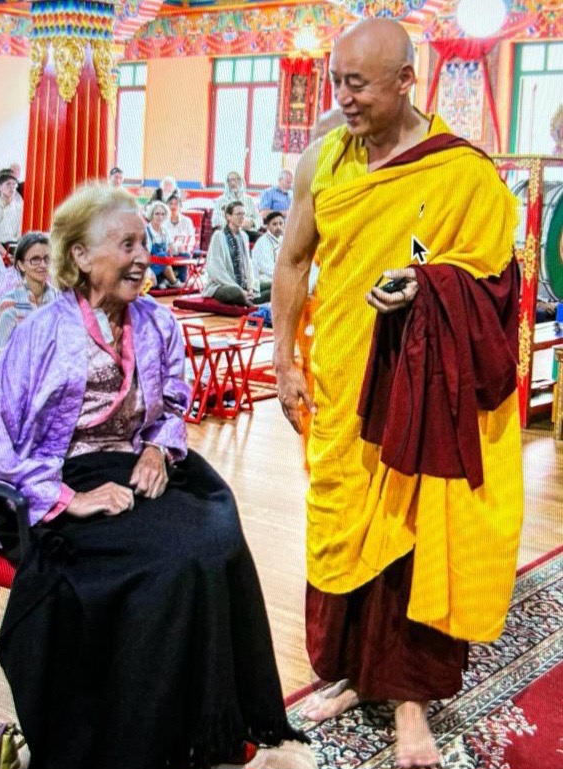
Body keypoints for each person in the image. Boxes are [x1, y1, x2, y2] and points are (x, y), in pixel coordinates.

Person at [272, 18, 523, 769]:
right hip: (341, 380)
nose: (342, 98)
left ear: (406, 80)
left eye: (357, 84)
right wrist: (283, 361)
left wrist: (425, 284)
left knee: (413, 537)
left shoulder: (460, 172)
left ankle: (411, 702)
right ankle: (355, 673)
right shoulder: (322, 161)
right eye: (336, 82)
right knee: (342, 524)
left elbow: (493, 279)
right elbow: (292, 262)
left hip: (417, 391)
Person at [0, 184, 316, 769]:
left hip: (140, 463)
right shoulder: (39, 334)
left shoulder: (157, 321)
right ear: (80, 256)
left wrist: (156, 450)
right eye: (127, 245)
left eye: (144, 243)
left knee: (217, 539)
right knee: (170, 565)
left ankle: (213, 726)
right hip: (66, 475)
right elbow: (1, 437)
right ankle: (139, 740)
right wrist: (67, 498)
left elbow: (173, 402)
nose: (143, 257)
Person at [0, 231, 58, 355]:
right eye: (35, 260)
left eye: (47, 259)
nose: (43, 265)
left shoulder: (58, 298)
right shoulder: (10, 305)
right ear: (21, 265)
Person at [203, 202, 269, 307]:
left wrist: (250, 287)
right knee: (236, 292)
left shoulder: (244, 236)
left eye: (243, 214)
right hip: (223, 285)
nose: (242, 217)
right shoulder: (218, 236)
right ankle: (251, 305)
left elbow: (248, 265)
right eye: (238, 214)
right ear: (228, 217)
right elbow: (216, 269)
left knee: (273, 285)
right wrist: (239, 288)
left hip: (243, 284)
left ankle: (250, 298)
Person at [211, 171, 262, 241]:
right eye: (231, 180)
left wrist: (252, 223)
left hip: (248, 231)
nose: (233, 183)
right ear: (227, 183)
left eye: (237, 179)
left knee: (264, 239)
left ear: (241, 182)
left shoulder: (249, 199)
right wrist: (234, 224)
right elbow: (216, 219)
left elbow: (259, 218)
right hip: (229, 232)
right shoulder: (221, 200)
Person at [146, 200, 184, 288]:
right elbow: (145, 256)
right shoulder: (147, 231)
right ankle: (174, 282)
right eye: (157, 214)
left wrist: (177, 247)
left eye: (162, 214)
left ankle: (167, 280)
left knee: (185, 255)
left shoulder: (165, 230)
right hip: (151, 265)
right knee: (163, 256)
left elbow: (173, 251)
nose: (160, 217)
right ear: (151, 215)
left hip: (164, 262)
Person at [251, 211, 284, 296]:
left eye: (281, 223)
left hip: (277, 277)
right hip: (262, 281)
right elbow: (268, 269)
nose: (278, 227)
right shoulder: (262, 242)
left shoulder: (283, 239)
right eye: (275, 224)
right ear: (267, 226)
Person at [0, 169, 23, 261]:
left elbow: (20, 235)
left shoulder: (19, 208)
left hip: (14, 247)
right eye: (8, 184)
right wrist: (7, 256)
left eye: (14, 184)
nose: (12, 187)